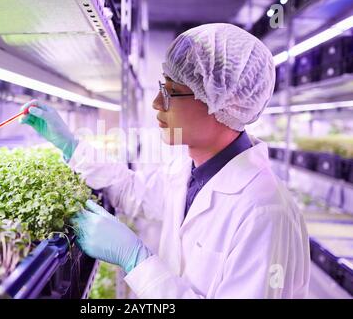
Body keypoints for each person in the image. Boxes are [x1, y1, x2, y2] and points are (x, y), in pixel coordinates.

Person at [20, 23, 310, 299]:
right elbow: (135, 191)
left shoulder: (266, 213)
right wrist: (71, 146)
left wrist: (136, 261)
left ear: (220, 101)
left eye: (170, 92)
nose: (157, 103)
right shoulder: (191, 171)